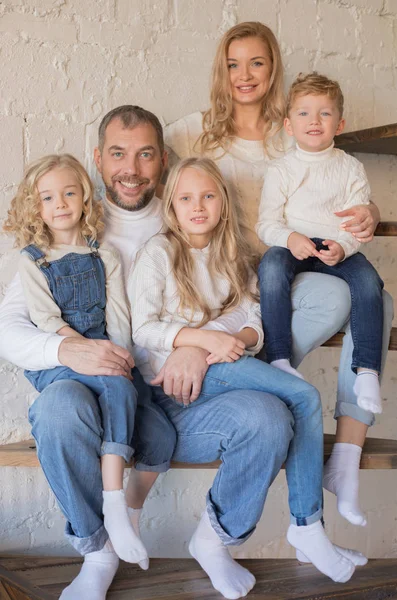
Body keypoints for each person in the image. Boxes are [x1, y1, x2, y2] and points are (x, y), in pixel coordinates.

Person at [0, 105, 297, 600]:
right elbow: (9, 326)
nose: (131, 170)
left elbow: (242, 297)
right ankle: (98, 550)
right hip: (105, 397)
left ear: (162, 160)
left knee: (269, 417)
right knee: (56, 409)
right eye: (118, 154)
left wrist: (194, 347)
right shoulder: (72, 218)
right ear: (98, 159)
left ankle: (215, 540)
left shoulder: (190, 206)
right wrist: (67, 349)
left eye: (144, 155)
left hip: (184, 397)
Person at [163, 21, 394, 529]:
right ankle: (263, 372)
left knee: (371, 296)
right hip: (236, 278)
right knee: (335, 303)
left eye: (257, 62)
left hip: (294, 266)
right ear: (220, 72)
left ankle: (348, 454)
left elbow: (336, 181)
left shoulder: (292, 126)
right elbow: (149, 174)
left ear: (274, 68)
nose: (244, 75)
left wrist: (370, 211)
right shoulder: (192, 130)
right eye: (232, 64)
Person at [129, 155, 367, 584]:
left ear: (223, 201)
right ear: (171, 205)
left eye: (207, 196)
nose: (197, 206)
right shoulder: (159, 253)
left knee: (275, 418)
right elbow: (143, 328)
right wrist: (203, 341)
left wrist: (232, 341)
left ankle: (213, 537)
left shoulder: (235, 256)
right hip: (175, 392)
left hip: (222, 371)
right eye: (185, 197)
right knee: (305, 395)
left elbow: (255, 319)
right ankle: (308, 525)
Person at [2, 153, 177, 567]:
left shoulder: (105, 255)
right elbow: (44, 318)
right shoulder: (32, 260)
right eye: (47, 197)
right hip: (61, 356)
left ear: (85, 199)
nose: (60, 203)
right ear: (35, 207)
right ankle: (108, 511)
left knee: (160, 433)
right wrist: (80, 349)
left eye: (69, 193)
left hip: (104, 346)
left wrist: (118, 355)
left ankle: (126, 515)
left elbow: (118, 316)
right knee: (105, 388)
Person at [257, 72, 384, 418]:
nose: (314, 121)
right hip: (292, 247)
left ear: (339, 123)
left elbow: (356, 224)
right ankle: (279, 357)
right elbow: (266, 223)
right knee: (269, 267)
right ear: (288, 124)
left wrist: (342, 247)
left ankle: (367, 371)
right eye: (303, 113)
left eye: (324, 114)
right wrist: (290, 239)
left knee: (370, 283)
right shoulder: (281, 169)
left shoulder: (350, 168)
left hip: (334, 245)